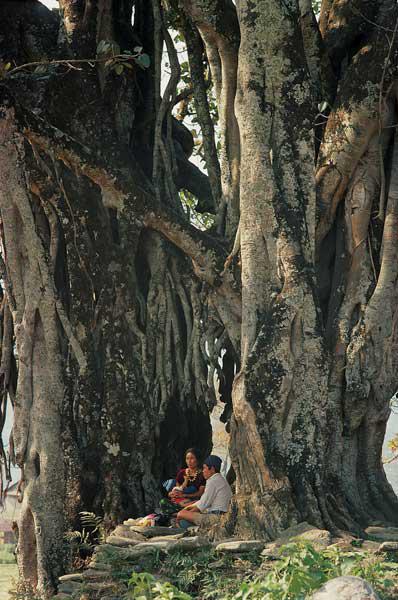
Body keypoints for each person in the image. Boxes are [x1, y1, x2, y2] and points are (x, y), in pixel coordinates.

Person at [176, 455, 232, 528]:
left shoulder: (212, 480)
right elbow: (203, 501)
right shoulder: (220, 479)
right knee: (183, 520)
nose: (203, 471)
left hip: (216, 518)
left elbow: (202, 505)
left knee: (181, 514)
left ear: (212, 469)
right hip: (220, 516)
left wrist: (185, 513)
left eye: (204, 468)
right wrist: (189, 507)